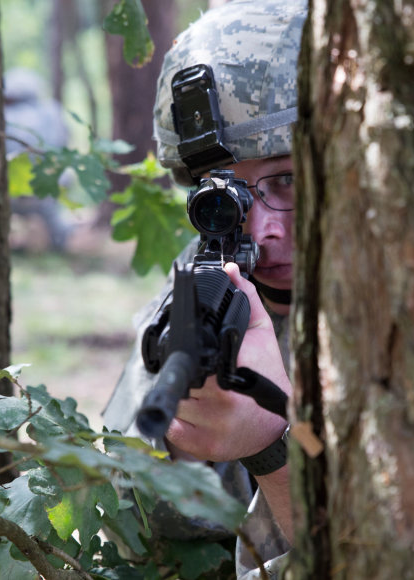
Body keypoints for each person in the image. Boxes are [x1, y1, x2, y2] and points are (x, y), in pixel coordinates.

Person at [102, 1, 306, 577]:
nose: (259, 230)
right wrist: (181, 458)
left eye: (287, 179)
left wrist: (274, 449)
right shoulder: (198, 294)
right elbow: (128, 543)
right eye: (220, 196)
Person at [3, 68, 72, 252]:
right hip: (49, 187)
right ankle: (59, 240)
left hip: (10, 189)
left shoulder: (0, 115)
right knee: (51, 211)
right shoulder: (53, 111)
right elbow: (65, 145)